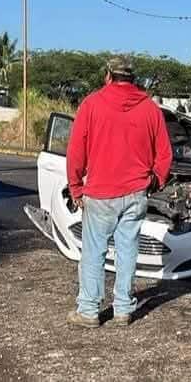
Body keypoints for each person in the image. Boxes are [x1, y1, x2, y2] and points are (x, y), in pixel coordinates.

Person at [66, 56, 172, 328]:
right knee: (127, 251)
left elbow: (76, 151)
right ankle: (123, 309)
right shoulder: (150, 109)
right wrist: (155, 181)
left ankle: (89, 311)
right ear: (133, 79)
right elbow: (165, 154)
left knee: (93, 253)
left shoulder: (91, 105)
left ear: (108, 76)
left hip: (100, 193)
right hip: (136, 192)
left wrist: (76, 187)